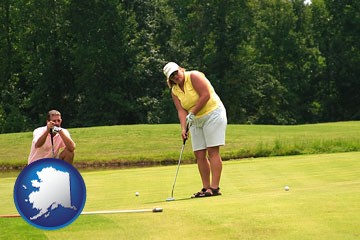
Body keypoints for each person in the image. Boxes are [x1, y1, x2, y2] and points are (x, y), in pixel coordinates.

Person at [163, 62, 227, 197]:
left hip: (213, 114)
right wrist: (183, 128)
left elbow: (205, 95)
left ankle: (214, 188)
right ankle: (206, 187)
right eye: (171, 76)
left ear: (181, 69)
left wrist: (192, 113)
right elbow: (181, 110)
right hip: (195, 120)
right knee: (199, 153)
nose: (175, 77)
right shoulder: (174, 91)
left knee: (213, 151)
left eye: (176, 73)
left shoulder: (194, 76)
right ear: (169, 79)